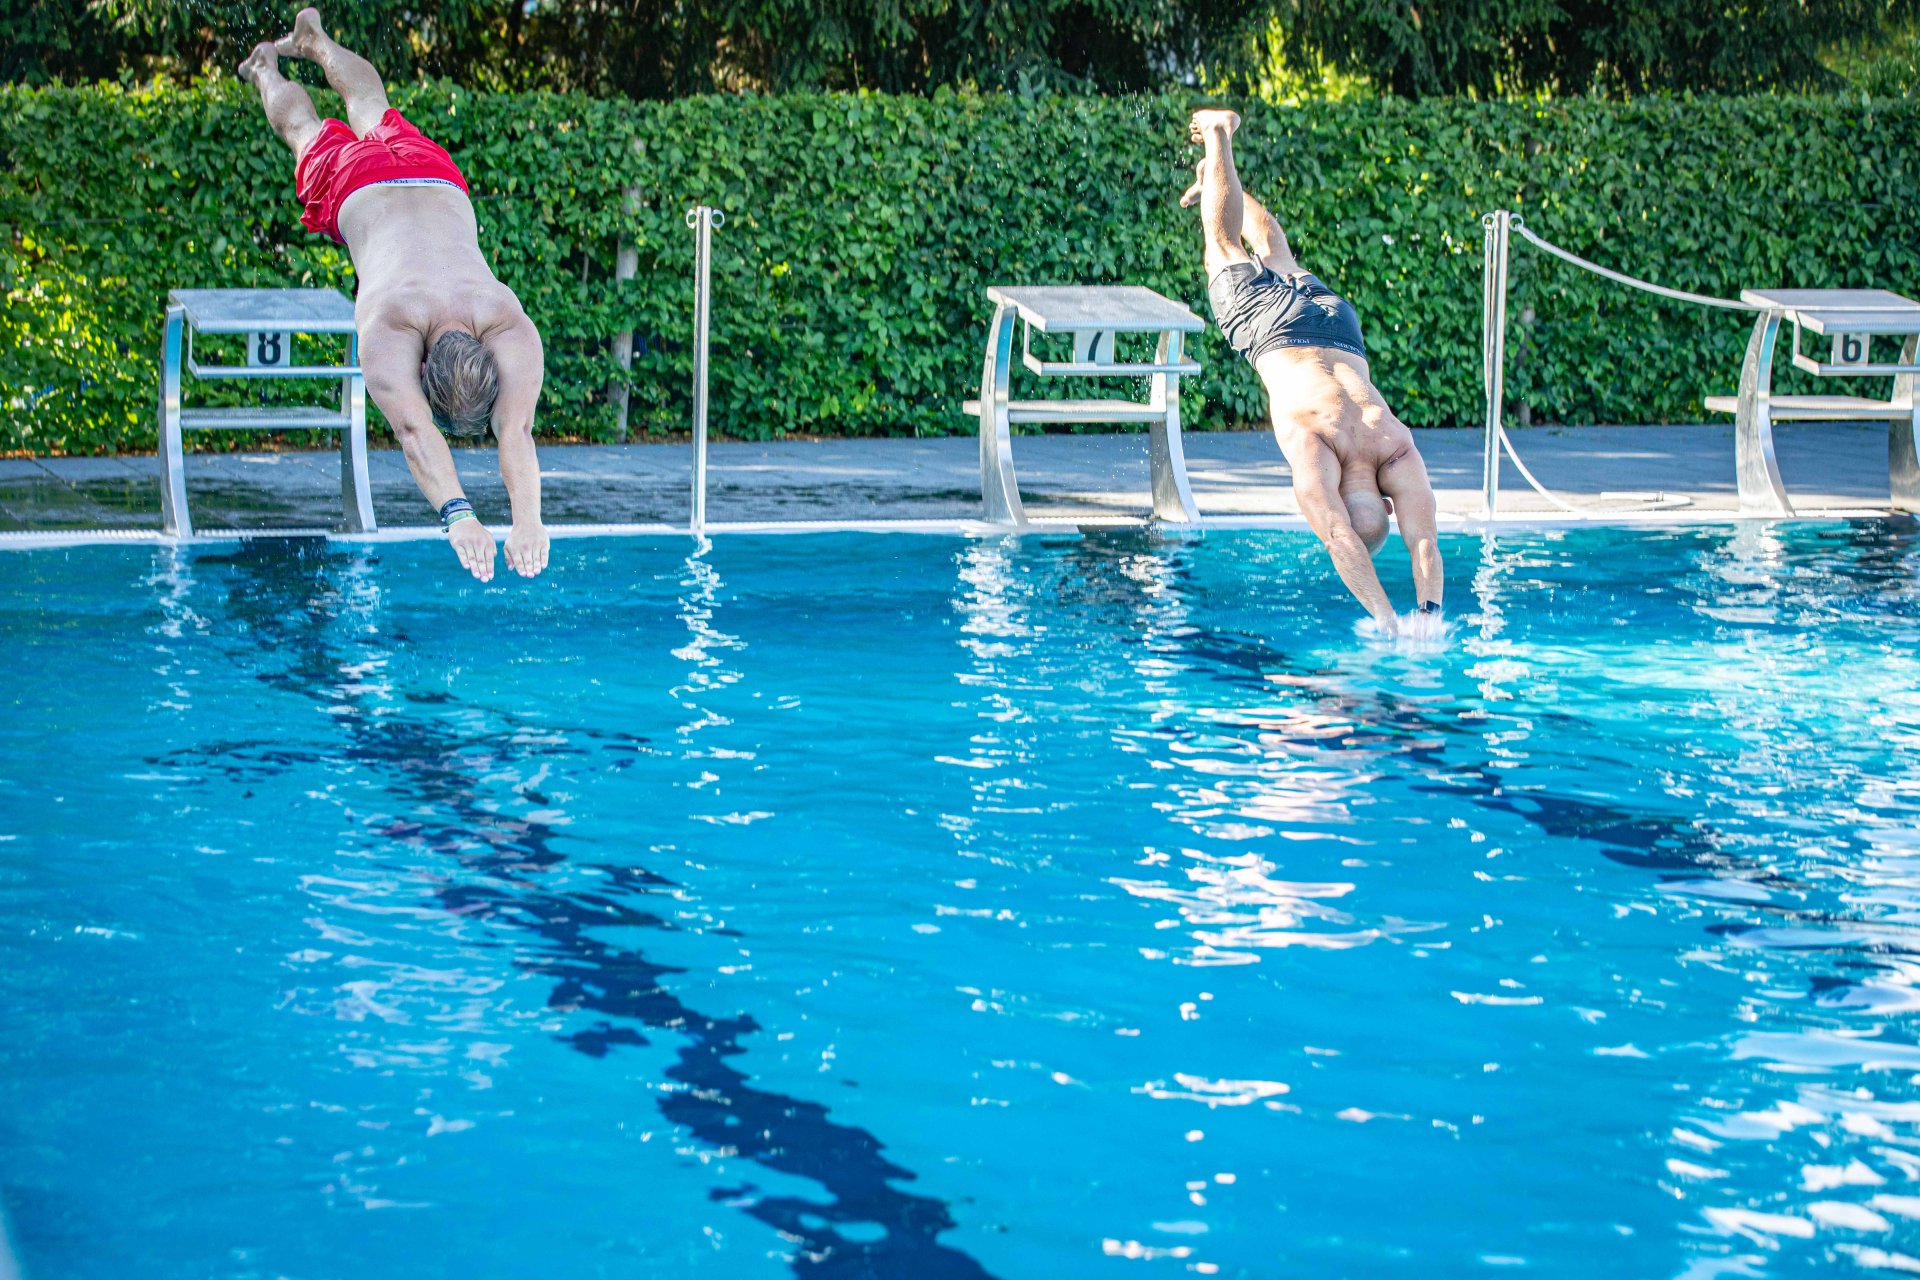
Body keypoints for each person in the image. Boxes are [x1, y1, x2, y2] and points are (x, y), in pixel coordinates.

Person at [239, 7, 547, 582]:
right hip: (357, 189)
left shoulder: (504, 316)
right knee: (305, 135)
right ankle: (263, 69)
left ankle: (318, 42)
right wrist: (459, 517)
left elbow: (517, 431)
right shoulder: (389, 325)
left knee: (370, 103)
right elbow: (417, 431)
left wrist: (529, 520)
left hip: (435, 178)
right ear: (421, 366)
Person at [1183, 109, 1441, 635]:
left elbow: (1427, 545)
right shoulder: (1314, 446)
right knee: (1224, 245)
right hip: (1276, 339)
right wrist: (1389, 623)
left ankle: (1219, 169)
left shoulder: (1395, 442)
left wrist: (1430, 613)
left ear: (1389, 506)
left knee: (1275, 248)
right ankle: (1215, 137)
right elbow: (1339, 540)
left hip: (1336, 325)